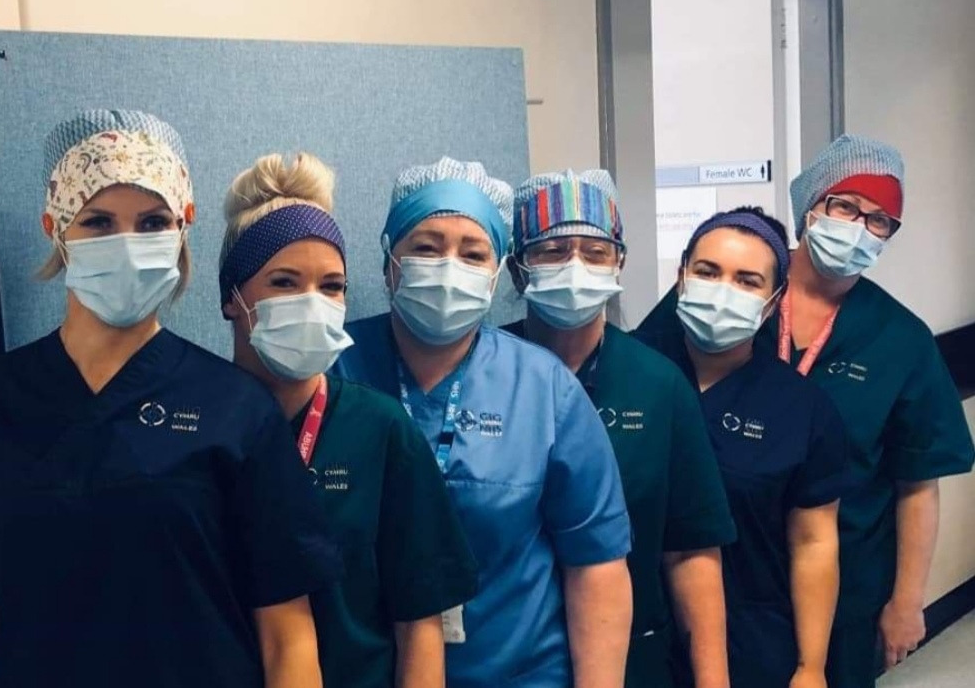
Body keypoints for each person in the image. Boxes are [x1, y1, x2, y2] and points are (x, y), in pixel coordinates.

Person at [0, 110, 342, 688]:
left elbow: (286, 634)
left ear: (183, 227)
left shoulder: (235, 409)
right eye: (97, 222)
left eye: (151, 222)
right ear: (56, 227)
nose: (127, 244)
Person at [332, 157, 633, 688]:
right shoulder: (336, 369)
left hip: (519, 674)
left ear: (497, 274)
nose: (449, 267)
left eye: (473, 254)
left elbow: (597, 565)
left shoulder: (544, 387)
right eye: (426, 247)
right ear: (388, 262)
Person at [217, 151, 479, 688]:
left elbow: (421, 621)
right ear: (232, 297)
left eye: (331, 286)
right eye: (285, 282)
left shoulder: (379, 430)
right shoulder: (196, 425)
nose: (312, 303)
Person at [503, 169, 736, 688]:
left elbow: (691, 547)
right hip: (504, 657)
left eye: (595, 250)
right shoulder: (485, 372)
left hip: (633, 655)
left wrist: (713, 678)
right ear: (518, 270)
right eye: (552, 250)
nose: (575, 265)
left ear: (619, 261)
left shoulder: (657, 383)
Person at [762, 135, 973, 687]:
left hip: (849, 584)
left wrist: (907, 602)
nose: (859, 227)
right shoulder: (742, 293)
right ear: (810, 204)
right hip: (735, 571)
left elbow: (918, 483)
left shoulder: (901, 340)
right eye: (845, 206)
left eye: (879, 221)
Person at [635, 207, 850, 688]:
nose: (723, 291)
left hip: (751, 642)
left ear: (773, 303)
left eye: (747, 281)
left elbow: (814, 543)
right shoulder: (626, 375)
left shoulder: (801, 408)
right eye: (708, 272)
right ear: (682, 277)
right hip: (631, 639)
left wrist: (810, 667)